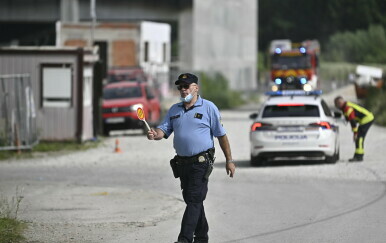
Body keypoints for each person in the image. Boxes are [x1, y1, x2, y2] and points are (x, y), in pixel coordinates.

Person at [147, 73, 236, 243]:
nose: (182, 90)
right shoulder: (174, 110)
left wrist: (229, 160)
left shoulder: (209, 108)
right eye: (180, 87)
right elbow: (163, 131)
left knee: (194, 198)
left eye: (186, 86)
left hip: (201, 163)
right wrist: (154, 134)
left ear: (196, 88)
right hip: (182, 164)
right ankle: (202, 237)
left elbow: (221, 136)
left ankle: (184, 239)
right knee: (193, 200)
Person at [334, 96, 374, 162]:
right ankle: (358, 155)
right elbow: (349, 118)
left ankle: (359, 156)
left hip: (367, 119)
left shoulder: (347, 108)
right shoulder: (345, 107)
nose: (336, 106)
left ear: (339, 103)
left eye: (336, 104)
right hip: (366, 118)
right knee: (359, 137)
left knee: (359, 137)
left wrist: (355, 133)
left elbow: (352, 121)